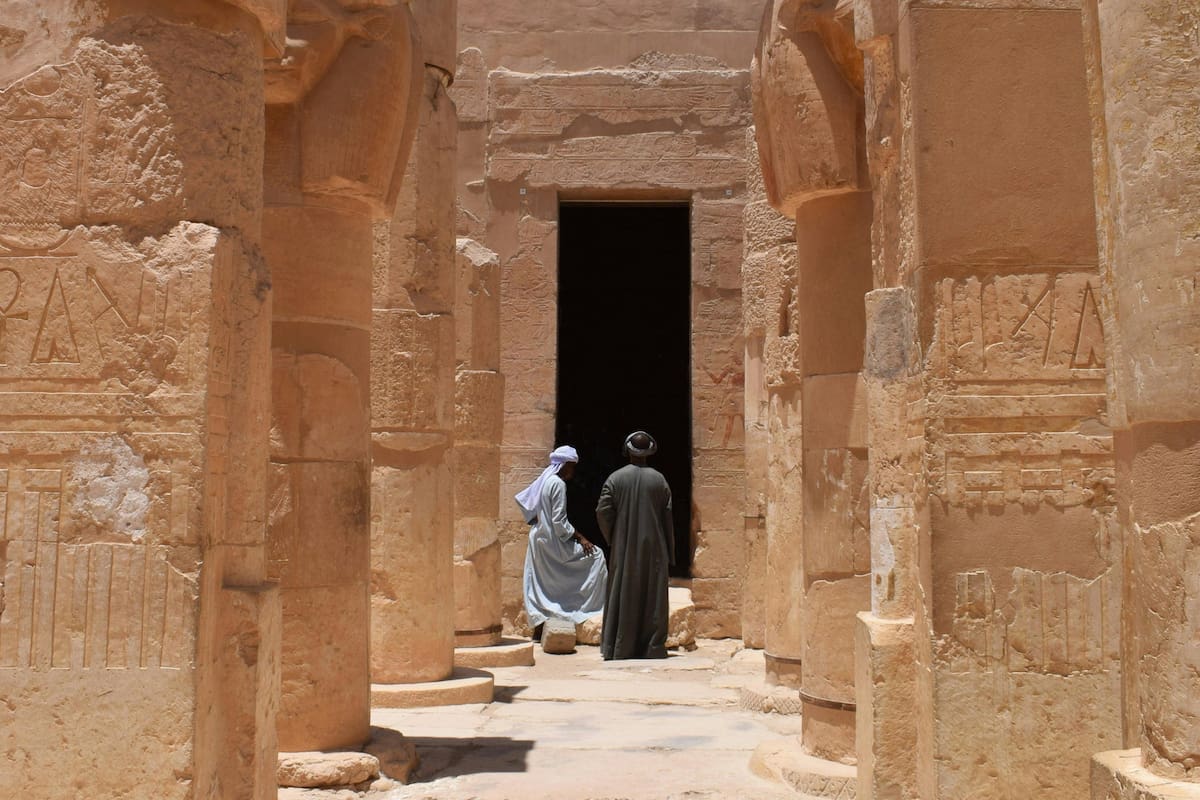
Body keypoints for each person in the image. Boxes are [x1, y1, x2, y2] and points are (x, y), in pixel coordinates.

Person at [596, 431, 674, 660]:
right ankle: (652, 647)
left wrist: (614, 536)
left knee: (623, 591)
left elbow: (602, 511)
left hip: (623, 547)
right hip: (654, 547)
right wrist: (669, 549)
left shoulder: (615, 478)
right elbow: (667, 516)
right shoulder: (659, 480)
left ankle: (619, 647)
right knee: (653, 595)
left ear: (627, 450)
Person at [517, 445, 607, 635]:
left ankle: (544, 621)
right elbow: (559, 522)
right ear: (564, 464)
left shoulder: (545, 481)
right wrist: (581, 538)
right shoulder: (557, 484)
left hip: (540, 539)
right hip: (552, 542)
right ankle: (585, 609)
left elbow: (531, 510)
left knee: (542, 584)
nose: (572, 471)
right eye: (571, 466)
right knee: (597, 556)